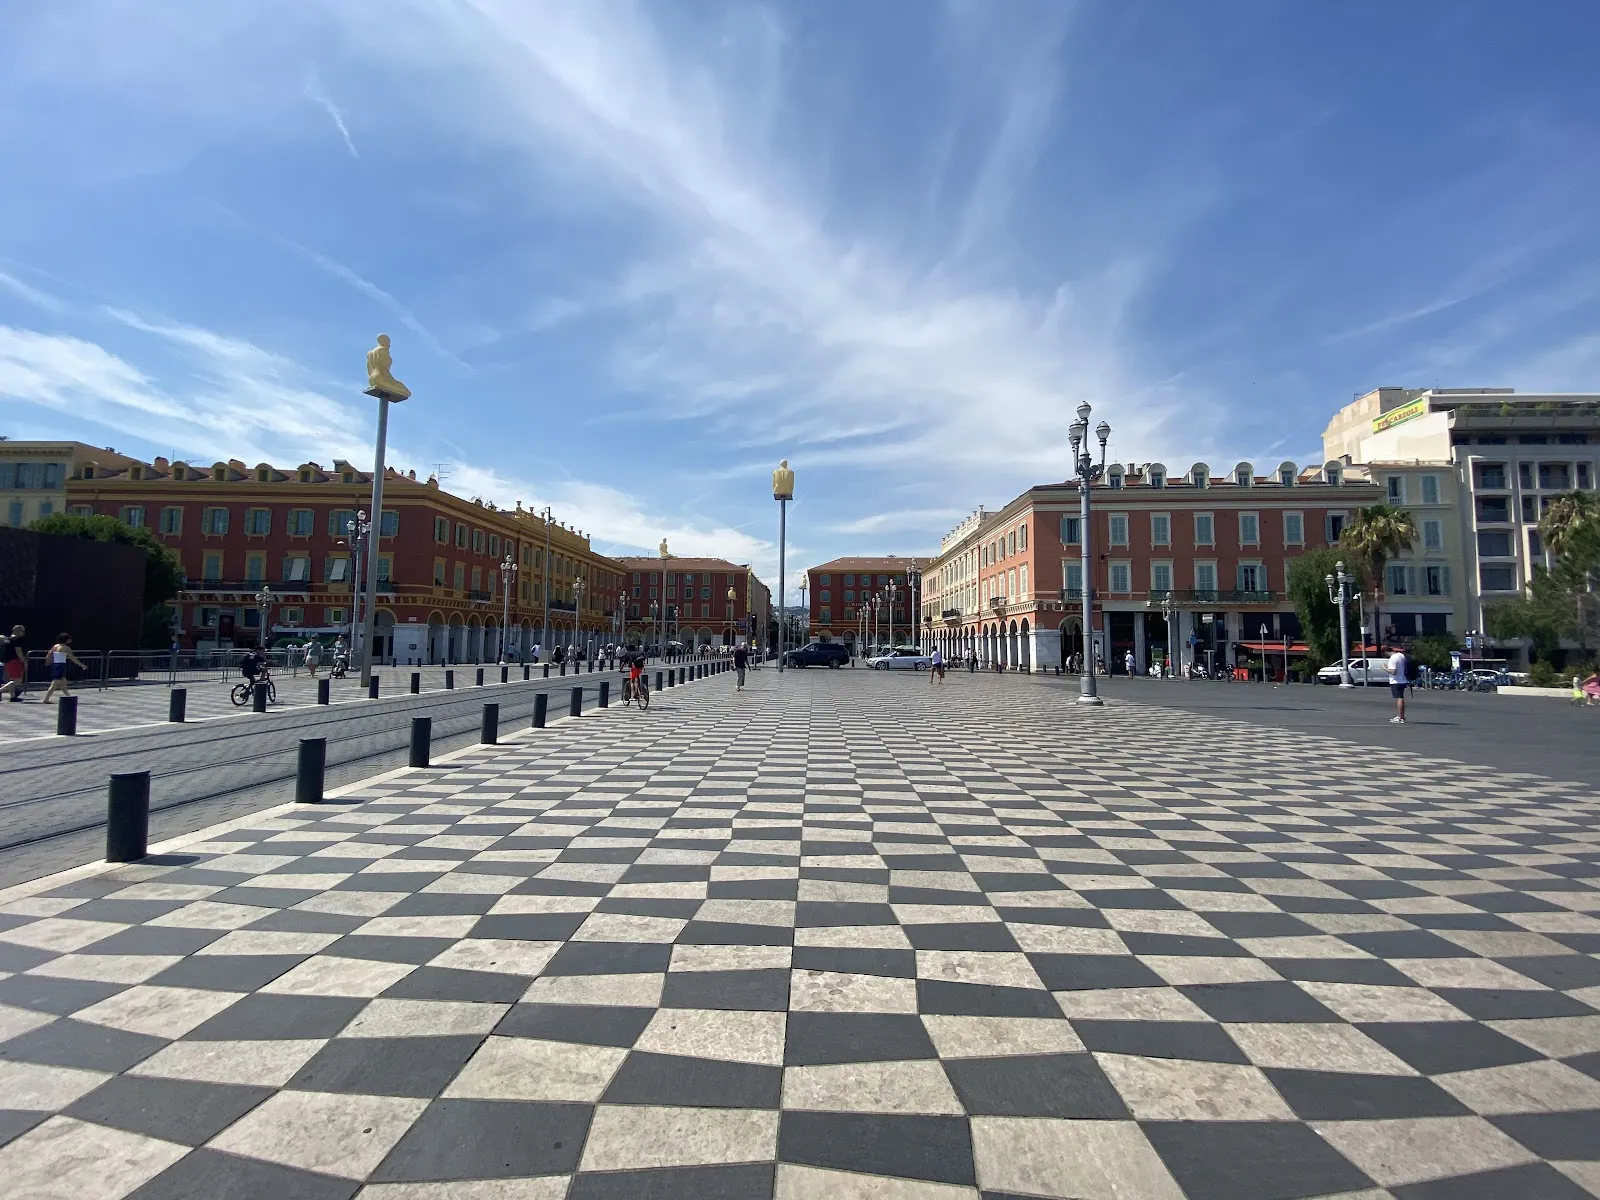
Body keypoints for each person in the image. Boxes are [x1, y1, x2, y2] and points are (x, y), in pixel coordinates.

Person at [41, 633, 86, 704]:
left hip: (55, 665)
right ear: (66, 640)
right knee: (55, 684)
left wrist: (48, 662)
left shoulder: (55, 646)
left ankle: (68, 697)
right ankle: (46, 699)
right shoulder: (66, 648)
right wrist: (81, 665)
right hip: (61, 666)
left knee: (63, 683)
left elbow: (49, 655)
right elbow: (72, 658)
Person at [1, 625, 25, 702]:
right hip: (14, 661)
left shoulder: (8, 639)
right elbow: (19, 652)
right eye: (22, 631)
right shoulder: (16, 639)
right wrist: (24, 661)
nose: (23, 633)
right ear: (16, 631)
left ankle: (13, 696)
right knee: (18, 680)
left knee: (12, 679)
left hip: (7, 661)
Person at [1386, 646, 1410, 724]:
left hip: (1396, 680)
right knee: (1401, 697)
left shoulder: (1393, 658)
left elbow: (1393, 671)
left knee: (1399, 698)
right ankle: (1401, 716)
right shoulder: (1401, 656)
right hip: (1403, 679)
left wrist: (1384, 668)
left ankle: (1400, 717)